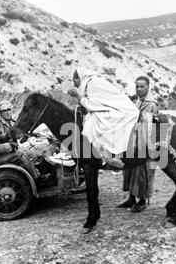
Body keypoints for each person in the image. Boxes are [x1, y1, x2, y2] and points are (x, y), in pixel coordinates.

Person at [68, 68, 139, 168]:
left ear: (79, 78)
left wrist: (78, 96)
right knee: (91, 119)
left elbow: (91, 104)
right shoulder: (88, 84)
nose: (74, 83)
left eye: (74, 80)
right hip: (111, 107)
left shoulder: (93, 83)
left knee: (99, 122)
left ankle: (112, 154)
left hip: (122, 109)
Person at [117, 76, 159, 212]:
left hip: (146, 143)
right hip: (133, 141)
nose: (139, 89)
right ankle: (131, 198)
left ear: (148, 87)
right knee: (129, 169)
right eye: (137, 86)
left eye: (142, 86)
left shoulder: (152, 104)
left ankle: (142, 201)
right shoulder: (137, 101)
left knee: (143, 172)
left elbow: (151, 126)